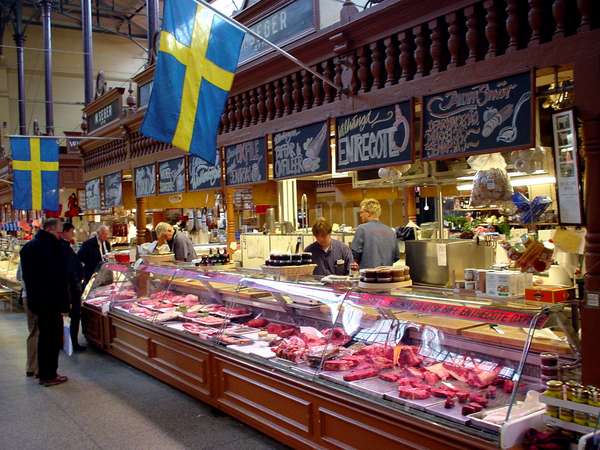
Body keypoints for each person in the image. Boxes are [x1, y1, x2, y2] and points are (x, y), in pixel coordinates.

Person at [19, 218, 70, 387]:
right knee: (52, 339)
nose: (60, 235)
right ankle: (49, 375)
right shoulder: (52, 248)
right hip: (51, 301)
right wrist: (65, 304)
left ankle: (43, 372)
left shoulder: (29, 247)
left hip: (37, 299)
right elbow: (59, 277)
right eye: (59, 232)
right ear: (49, 230)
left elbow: (27, 276)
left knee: (44, 338)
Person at [351, 198, 400, 269]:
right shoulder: (390, 231)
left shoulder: (362, 229)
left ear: (369, 214)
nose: (360, 215)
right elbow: (396, 257)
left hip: (368, 277)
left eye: (362, 212)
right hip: (387, 276)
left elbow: (354, 255)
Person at [62, 223, 85, 352]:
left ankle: (69, 342)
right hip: (71, 289)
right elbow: (70, 270)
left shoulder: (65, 247)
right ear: (65, 232)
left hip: (71, 288)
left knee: (71, 318)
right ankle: (72, 343)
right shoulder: (63, 247)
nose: (73, 234)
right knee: (73, 317)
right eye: (71, 232)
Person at [16, 262, 38, 377]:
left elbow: (18, 276)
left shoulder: (25, 253)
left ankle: (30, 366)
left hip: (26, 296)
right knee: (41, 332)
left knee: (32, 332)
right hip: (40, 298)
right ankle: (40, 368)